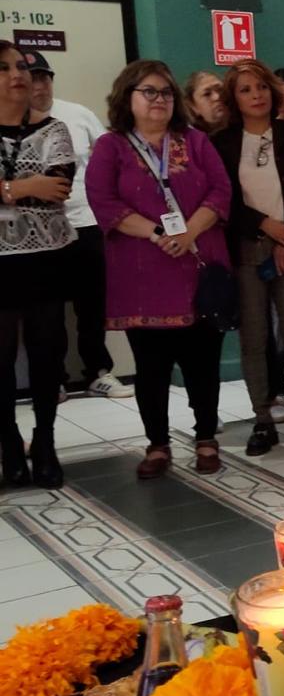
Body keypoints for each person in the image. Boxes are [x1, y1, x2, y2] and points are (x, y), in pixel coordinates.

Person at [85, 59, 232, 478]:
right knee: (151, 369)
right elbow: (103, 202)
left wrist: (188, 232)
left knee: (203, 364)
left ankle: (206, 438)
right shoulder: (111, 146)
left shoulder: (195, 141)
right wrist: (157, 233)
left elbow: (221, 191)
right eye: (148, 91)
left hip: (198, 268)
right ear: (127, 97)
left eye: (166, 92)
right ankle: (157, 444)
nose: (159, 99)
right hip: (142, 277)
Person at [213, 59, 284, 457]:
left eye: (261, 87)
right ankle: (262, 420)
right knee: (254, 339)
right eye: (245, 90)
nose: (256, 95)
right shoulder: (221, 143)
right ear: (234, 98)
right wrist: (265, 226)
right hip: (246, 247)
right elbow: (223, 200)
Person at [26, 52, 131, 400]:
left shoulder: (79, 114)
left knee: (93, 306)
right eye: (31, 78)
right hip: (41, 231)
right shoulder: (11, 124)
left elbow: (110, 163)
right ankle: (52, 378)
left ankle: (98, 372)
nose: (38, 85)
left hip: (88, 223)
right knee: (47, 310)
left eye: (44, 77)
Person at [0, 41, 75, 488]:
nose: (17, 75)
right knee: (0, 360)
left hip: (47, 257)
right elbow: (38, 189)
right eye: (4, 68)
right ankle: (9, 442)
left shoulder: (54, 129)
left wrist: (5, 189)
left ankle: (44, 441)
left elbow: (58, 189)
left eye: (22, 67)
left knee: (48, 355)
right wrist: (24, 186)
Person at [183, 70, 227, 135]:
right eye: (207, 94)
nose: (217, 97)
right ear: (193, 106)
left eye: (220, 89)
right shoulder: (189, 137)